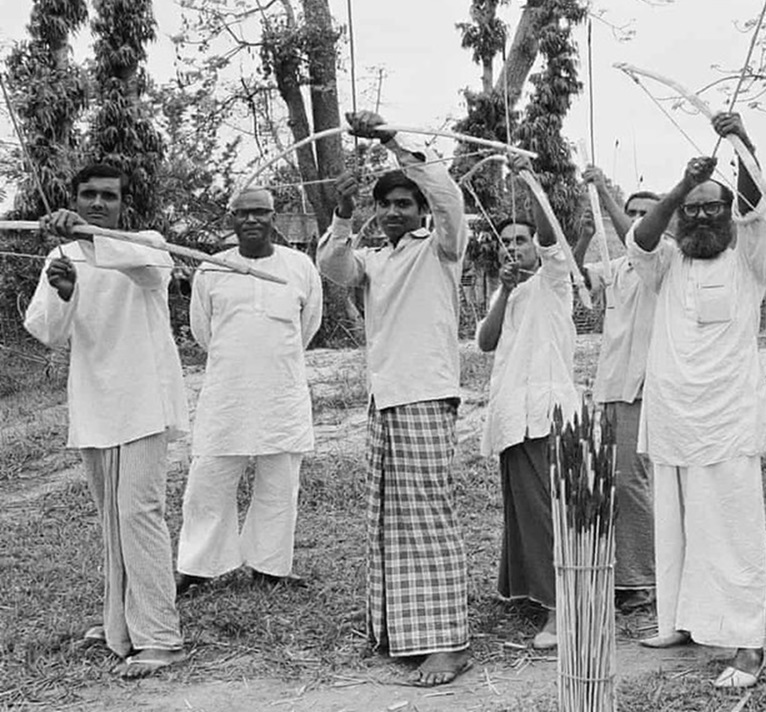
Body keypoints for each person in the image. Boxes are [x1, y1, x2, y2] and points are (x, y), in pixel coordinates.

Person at [628, 111, 766, 689]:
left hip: (728, 421)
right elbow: (641, 237)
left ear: (728, 216)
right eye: (691, 209)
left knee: (733, 533)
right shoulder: (665, 260)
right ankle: (681, 621)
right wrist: (679, 186)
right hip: (671, 419)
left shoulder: (748, 258)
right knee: (678, 529)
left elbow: (755, 199)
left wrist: (741, 140)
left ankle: (748, 645)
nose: (701, 216)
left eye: (711, 207)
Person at [317, 110, 471, 687]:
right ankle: (403, 633)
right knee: (390, 518)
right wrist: (340, 217)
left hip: (427, 396)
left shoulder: (442, 247)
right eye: (385, 204)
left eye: (404, 203)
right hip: (386, 400)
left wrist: (392, 142)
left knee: (428, 516)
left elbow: (449, 197)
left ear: (421, 211)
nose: (392, 213)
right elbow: (333, 270)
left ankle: (448, 644)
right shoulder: (376, 259)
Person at [24, 163, 188, 678]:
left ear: (123, 203)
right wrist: (65, 291)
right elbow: (47, 331)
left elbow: (147, 269)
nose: (97, 204)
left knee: (139, 513)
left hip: (144, 401)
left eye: (107, 196)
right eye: (88, 195)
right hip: (95, 405)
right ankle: (120, 626)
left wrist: (89, 243)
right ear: (75, 197)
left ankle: (161, 637)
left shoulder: (145, 242)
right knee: (112, 520)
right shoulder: (60, 254)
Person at [176, 188, 323, 594]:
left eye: (261, 213)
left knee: (279, 483)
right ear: (232, 220)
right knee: (207, 481)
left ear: (274, 217)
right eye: (243, 214)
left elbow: (307, 326)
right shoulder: (212, 269)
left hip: (282, 393)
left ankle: (270, 566)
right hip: (227, 393)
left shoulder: (299, 266)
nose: (252, 221)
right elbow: (203, 332)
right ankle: (198, 565)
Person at [476, 157, 579, 651]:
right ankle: (528, 591)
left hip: (546, 412)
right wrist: (504, 290)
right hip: (511, 415)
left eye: (520, 241)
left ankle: (562, 608)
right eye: (506, 241)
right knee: (521, 509)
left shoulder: (554, 281)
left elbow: (551, 237)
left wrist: (529, 182)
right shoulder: (509, 289)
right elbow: (485, 342)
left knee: (546, 511)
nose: (513, 248)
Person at [573, 166, 660, 612]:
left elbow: (641, 239)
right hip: (610, 385)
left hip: (643, 386)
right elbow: (573, 278)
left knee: (633, 483)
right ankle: (625, 572)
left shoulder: (664, 260)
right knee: (611, 482)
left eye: (649, 213)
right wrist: (584, 234)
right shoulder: (618, 265)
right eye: (633, 213)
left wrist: (605, 190)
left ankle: (643, 579)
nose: (640, 221)